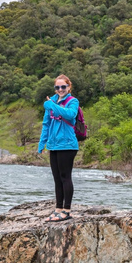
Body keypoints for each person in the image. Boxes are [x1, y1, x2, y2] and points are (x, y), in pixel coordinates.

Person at [38, 74, 79, 222]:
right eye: (57, 87)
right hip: (53, 145)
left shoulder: (72, 101)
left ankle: (67, 210)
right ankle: (58, 209)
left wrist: (52, 106)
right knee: (56, 179)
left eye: (63, 86)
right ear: (55, 89)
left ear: (69, 87)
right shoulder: (52, 102)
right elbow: (46, 124)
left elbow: (70, 115)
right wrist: (42, 143)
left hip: (68, 145)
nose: (60, 89)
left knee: (65, 177)